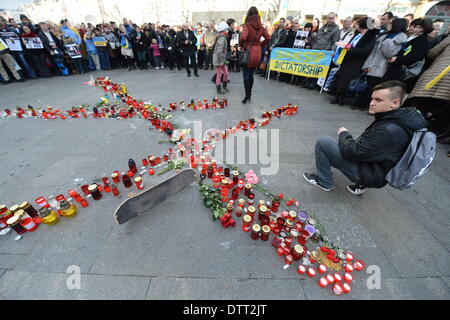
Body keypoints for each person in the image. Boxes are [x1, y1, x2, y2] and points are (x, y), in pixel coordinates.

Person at [303, 81, 427, 195]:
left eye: (378, 100)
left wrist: (344, 134)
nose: (372, 103)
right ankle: (363, 185)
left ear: (395, 103)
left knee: (323, 143)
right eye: (372, 98)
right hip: (382, 170)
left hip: (372, 174)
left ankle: (324, 182)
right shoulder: (404, 118)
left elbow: (352, 152)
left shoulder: (387, 130)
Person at [352, 18, 408, 110]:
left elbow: (390, 53)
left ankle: (364, 105)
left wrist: (387, 42)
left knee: (372, 87)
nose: (388, 25)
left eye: (391, 23)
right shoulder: (385, 34)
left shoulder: (401, 37)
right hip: (371, 63)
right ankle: (359, 103)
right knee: (365, 84)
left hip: (381, 66)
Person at [405, 28, 450, 140]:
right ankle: (431, 133)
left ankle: (407, 126)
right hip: (447, 87)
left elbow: (432, 53)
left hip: (434, 76)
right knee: (441, 109)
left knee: (419, 103)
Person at [329, 17, 378, 106]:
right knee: (340, 77)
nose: (356, 25)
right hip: (347, 59)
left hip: (356, 62)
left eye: (358, 24)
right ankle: (336, 96)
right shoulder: (358, 34)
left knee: (346, 81)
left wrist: (349, 48)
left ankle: (342, 99)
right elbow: (350, 45)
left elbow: (366, 51)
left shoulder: (370, 37)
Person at [382, 18, 434, 91]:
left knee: (389, 89)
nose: (417, 29)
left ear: (425, 29)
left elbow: (415, 57)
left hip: (403, 70)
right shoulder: (412, 37)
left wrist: (397, 59)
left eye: (420, 28)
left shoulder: (422, 41)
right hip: (397, 67)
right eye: (417, 27)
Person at [239, 6, 271, 104]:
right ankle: (250, 94)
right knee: (251, 74)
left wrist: (242, 46)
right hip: (257, 52)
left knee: (245, 74)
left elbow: (243, 37)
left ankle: (247, 95)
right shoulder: (261, 26)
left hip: (249, 51)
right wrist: (259, 45)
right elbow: (268, 38)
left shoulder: (247, 25)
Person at [304, 12, 340, 89]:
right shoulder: (323, 27)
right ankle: (309, 81)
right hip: (316, 50)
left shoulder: (336, 29)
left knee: (319, 68)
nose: (330, 20)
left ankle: (314, 83)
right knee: (313, 67)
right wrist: (309, 40)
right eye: (329, 18)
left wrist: (333, 51)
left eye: (332, 18)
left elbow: (335, 42)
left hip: (325, 52)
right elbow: (316, 37)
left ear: (335, 19)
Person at [213, 21, 230, 94]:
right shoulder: (222, 39)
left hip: (221, 59)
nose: (228, 31)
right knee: (219, 74)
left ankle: (224, 86)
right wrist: (222, 61)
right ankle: (219, 89)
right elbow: (219, 51)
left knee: (226, 73)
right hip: (218, 60)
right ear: (223, 30)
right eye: (226, 29)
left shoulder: (223, 37)